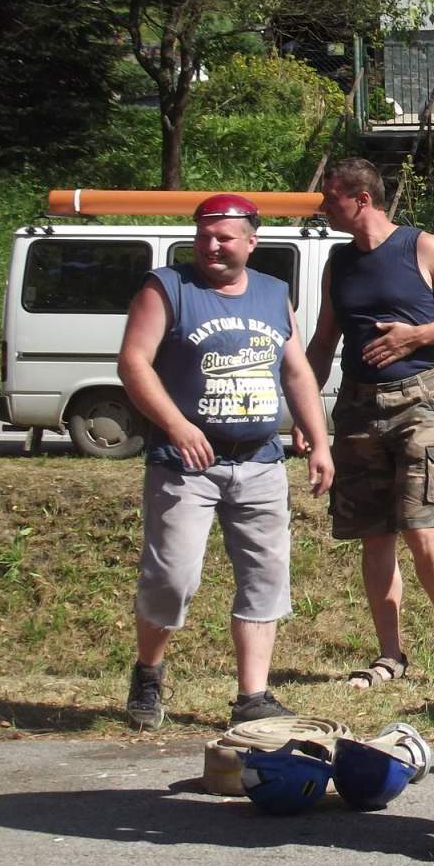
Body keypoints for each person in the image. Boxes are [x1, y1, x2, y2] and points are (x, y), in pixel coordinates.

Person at [118, 194, 335, 730]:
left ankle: (252, 696)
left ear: (251, 242)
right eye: (204, 236)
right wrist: (177, 425)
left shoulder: (273, 292)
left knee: (265, 578)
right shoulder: (167, 287)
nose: (211, 246)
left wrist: (319, 438)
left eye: (224, 237)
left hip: (260, 462)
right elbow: (133, 363)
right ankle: (148, 672)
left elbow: (296, 371)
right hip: (184, 464)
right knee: (171, 578)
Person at [303, 158, 434, 687]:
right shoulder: (338, 261)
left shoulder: (420, 247)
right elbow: (323, 341)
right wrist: (304, 408)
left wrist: (418, 336)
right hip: (358, 406)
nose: (323, 207)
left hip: (419, 400)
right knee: (374, 533)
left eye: (331, 198)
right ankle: (390, 654)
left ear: (362, 199)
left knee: (420, 523)